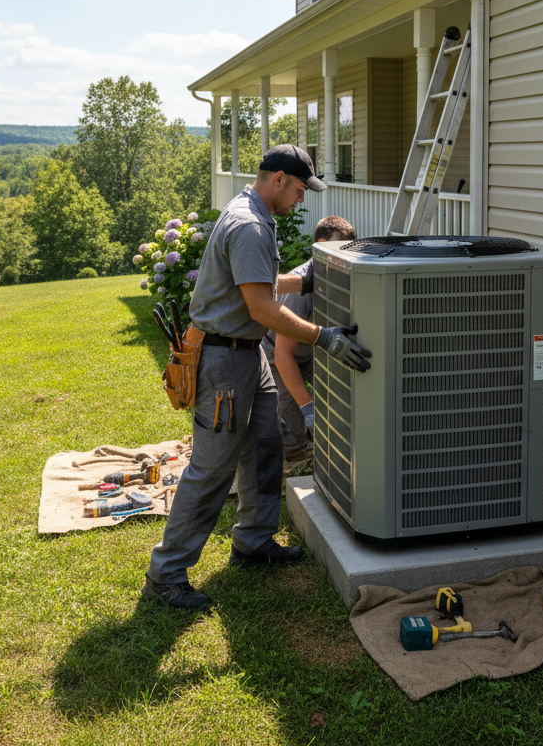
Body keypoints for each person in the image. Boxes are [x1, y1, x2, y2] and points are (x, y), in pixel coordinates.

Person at [142, 145, 371, 611]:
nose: (303, 201)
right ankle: (166, 573)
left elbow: (260, 285)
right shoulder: (248, 225)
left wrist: (304, 281)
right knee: (212, 468)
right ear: (281, 179)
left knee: (266, 446)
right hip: (224, 360)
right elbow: (260, 308)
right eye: (302, 190)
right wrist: (324, 337)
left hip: (248, 357)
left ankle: (253, 541)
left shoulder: (253, 212)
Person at [264, 215, 356, 467]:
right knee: (292, 445)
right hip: (278, 358)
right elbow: (284, 354)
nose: (347, 257)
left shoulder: (342, 276)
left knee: (343, 402)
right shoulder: (299, 287)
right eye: (341, 250)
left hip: (316, 351)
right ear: (322, 245)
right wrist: (308, 408)